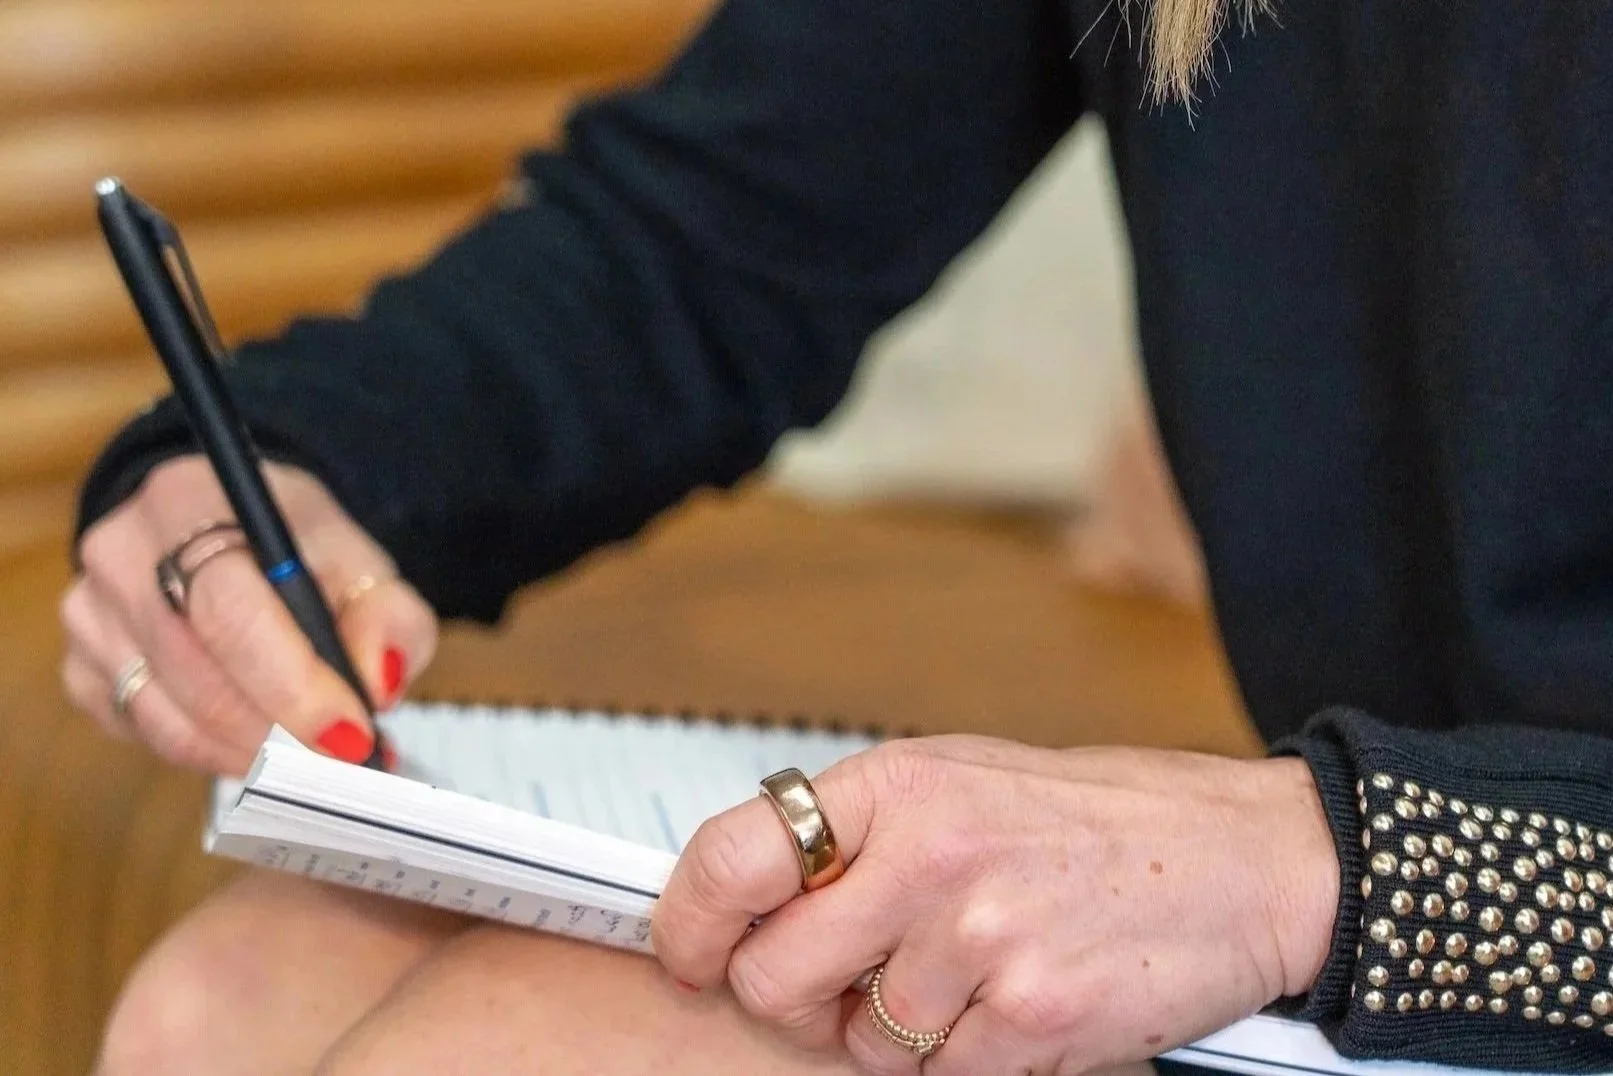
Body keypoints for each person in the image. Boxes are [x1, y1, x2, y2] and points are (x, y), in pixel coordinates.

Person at [60, 0, 1613, 1071]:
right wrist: (277, 464)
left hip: (1496, 929)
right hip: (1344, 948)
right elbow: (709, 238)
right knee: (233, 1005)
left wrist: (1323, 868)